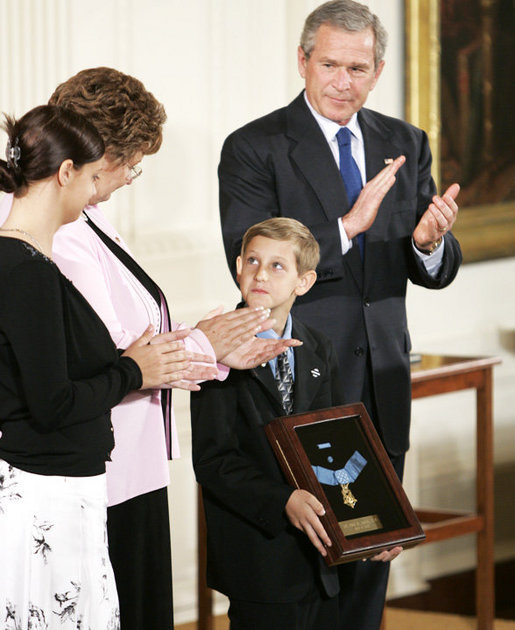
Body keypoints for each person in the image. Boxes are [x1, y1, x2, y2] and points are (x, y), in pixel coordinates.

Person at [0, 68, 298, 630]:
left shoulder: (84, 217)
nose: (133, 177)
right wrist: (201, 346)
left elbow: (137, 339)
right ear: (93, 158)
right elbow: (107, 357)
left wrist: (212, 349)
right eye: (133, 162)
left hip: (122, 459)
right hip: (90, 469)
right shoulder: (49, 235)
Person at [218, 1, 462, 627]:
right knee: (300, 577)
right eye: (329, 64)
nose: (342, 81)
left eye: (358, 68)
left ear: (378, 70)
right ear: (303, 61)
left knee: (366, 578)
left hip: (381, 384)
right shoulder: (255, 147)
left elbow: (428, 264)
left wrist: (429, 244)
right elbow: (251, 268)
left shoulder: (405, 143)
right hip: (297, 385)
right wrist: (347, 228)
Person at [0, 104, 205, 629]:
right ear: (66, 173)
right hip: (48, 499)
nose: (96, 192)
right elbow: (53, 405)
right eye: (92, 177)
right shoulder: (27, 274)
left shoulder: (29, 265)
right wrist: (134, 371)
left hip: (59, 492)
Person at [191, 218, 345, 630]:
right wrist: (282, 501)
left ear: (304, 281)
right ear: (238, 266)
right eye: (253, 261)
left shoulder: (318, 347)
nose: (261, 273)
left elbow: (335, 440)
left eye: (278, 266)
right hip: (259, 554)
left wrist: (373, 520)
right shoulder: (216, 348)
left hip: (323, 553)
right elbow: (213, 461)